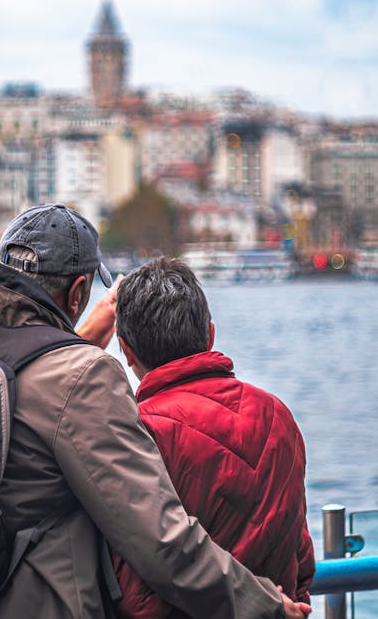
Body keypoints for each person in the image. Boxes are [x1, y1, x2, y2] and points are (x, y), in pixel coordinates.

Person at [0, 204, 310, 619]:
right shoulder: (83, 376)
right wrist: (266, 606)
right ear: (79, 292)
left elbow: (14, 374)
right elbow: (159, 541)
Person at [114, 256, 315, 618]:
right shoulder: (276, 414)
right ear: (209, 334)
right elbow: (300, 554)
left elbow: (132, 590)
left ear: (126, 351)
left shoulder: (137, 431)